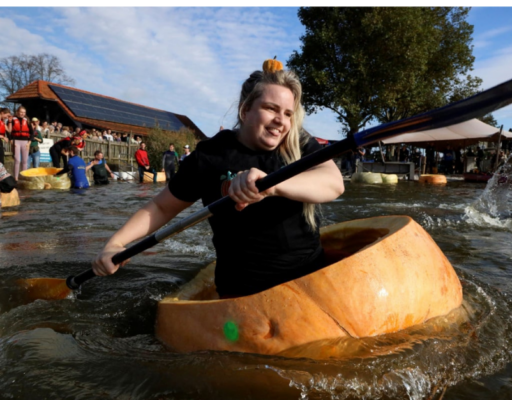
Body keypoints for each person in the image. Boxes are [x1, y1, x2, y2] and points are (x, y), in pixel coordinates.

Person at [92, 62, 344, 298]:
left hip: (310, 275)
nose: (281, 121)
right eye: (271, 108)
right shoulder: (210, 155)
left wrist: (273, 185)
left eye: (288, 113)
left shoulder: (298, 143)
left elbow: (334, 183)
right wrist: (116, 242)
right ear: (245, 110)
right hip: (244, 288)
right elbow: (161, 207)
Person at [6, 106, 33, 179]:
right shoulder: (13, 120)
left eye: (24, 112)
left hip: (25, 142)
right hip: (16, 141)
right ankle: (15, 177)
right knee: (17, 160)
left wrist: (29, 143)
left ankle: (24, 176)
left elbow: (32, 133)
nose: (22, 114)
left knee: (25, 160)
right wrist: (11, 140)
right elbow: (9, 131)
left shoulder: (27, 120)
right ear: (17, 112)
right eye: (21, 112)